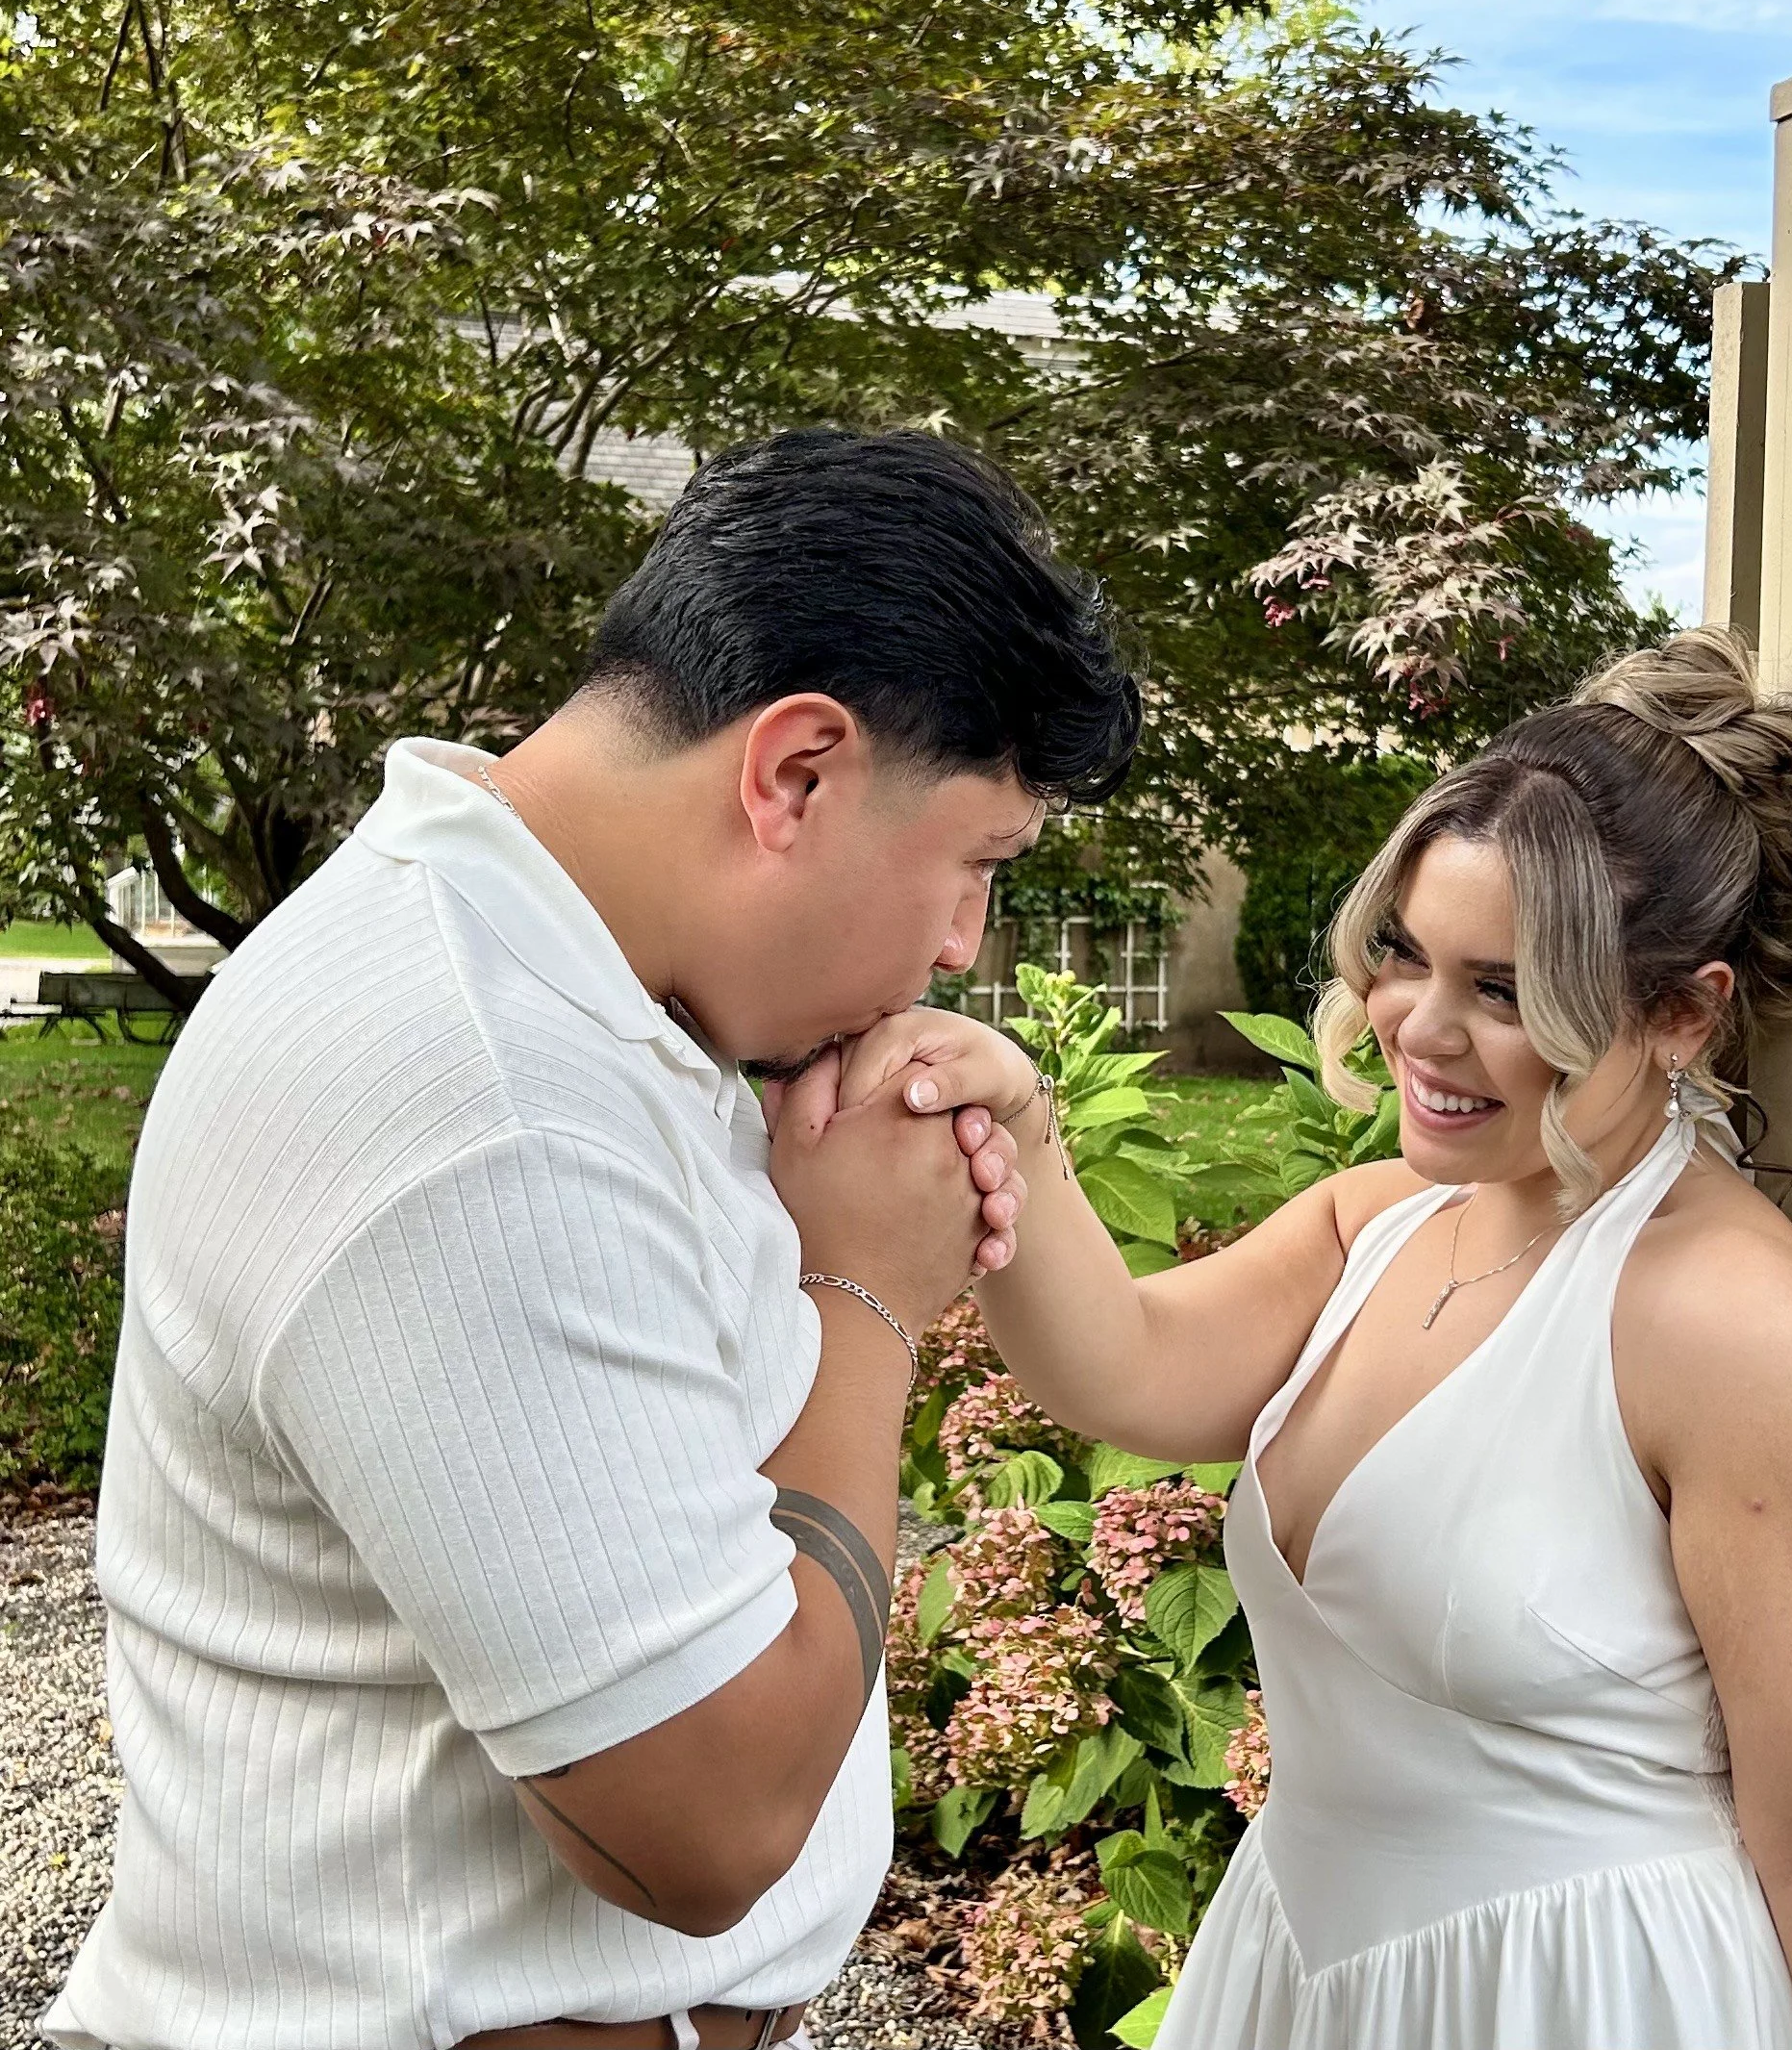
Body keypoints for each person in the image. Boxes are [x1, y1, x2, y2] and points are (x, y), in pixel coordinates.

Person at [46, 428, 1137, 2050]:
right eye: (977, 865)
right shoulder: (485, 1097)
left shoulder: (584, 984)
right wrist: (862, 1294)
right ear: (796, 772)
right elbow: (699, 1825)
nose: (962, 943)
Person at [840, 627, 1792, 2050]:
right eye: (1401, 955)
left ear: (1683, 1012)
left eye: (1501, 989)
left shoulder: (1734, 1335)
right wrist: (1016, 1118)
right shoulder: (1371, 1222)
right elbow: (1118, 1364)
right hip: (1303, 1968)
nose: (1416, 1029)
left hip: (1580, 2002)